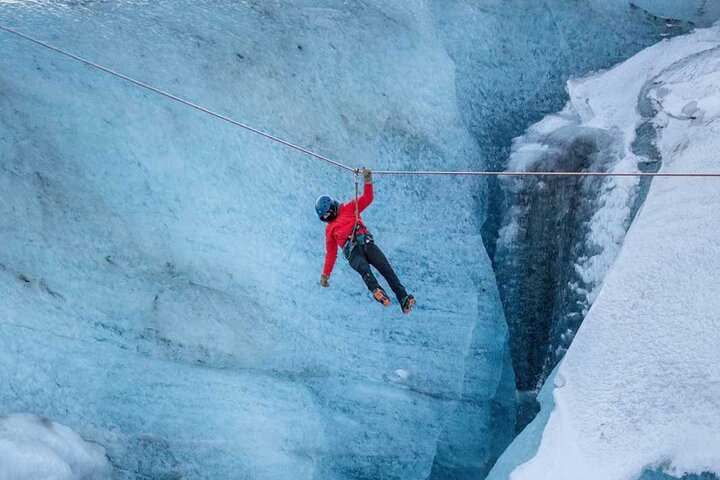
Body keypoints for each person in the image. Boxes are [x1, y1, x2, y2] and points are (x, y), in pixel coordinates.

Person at [315, 169, 415, 314]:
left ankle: (403, 298)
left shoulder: (348, 208)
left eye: (328, 215)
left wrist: (367, 182)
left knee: (385, 268)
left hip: (367, 243)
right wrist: (325, 274)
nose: (327, 219)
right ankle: (377, 290)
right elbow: (331, 254)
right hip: (353, 252)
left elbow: (367, 198)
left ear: (333, 207)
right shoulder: (329, 230)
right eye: (324, 218)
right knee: (363, 268)